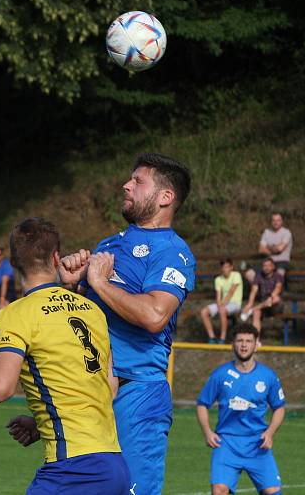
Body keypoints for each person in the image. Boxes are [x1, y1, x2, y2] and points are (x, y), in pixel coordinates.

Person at [0, 218, 129, 494]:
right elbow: (108, 388)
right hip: (113, 464)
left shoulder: (16, 314)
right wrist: (43, 422)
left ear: (13, 262)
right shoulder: (90, 310)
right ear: (57, 257)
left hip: (73, 469)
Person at [59, 153, 196, 495]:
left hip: (137, 394)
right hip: (93, 389)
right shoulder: (109, 245)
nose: (126, 185)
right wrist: (71, 286)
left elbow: (153, 315)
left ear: (166, 197)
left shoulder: (173, 252)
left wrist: (101, 283)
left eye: (138, 181)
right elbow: (82, 319)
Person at [196, 323, 286, 495]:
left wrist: (270, 433)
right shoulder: (220, 374)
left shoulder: (268, 376)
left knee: (273, 492)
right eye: (240, 341)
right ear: (233, 344)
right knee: (219, 490)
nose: (244, 345)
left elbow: (279, 408)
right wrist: (207, 432)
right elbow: (202, 404)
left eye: (248, 341)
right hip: (227, 443)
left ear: (256, 344)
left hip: (257, 443)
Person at [200, 257, 243, 344]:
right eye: (223, 267)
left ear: (231, 267)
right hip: (223, 304)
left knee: (222, 310)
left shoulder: (236, 275)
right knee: (204, 312)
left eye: (227, 267)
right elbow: (218, 295)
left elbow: (231, 291)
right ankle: (212, 337)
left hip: (235, 304)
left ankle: (222, 338)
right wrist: (219, 304)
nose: (225, 269)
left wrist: (222, 305)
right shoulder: (218, 279)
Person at [241, 258, 283, 340]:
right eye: (264, 266)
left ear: (273, 267)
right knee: (256, 313)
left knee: (276, 298)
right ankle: (256, 340)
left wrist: (270, 298)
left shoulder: (278, 276)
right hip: (264, 304)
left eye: (269, 265)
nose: (266, 267)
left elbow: (278, 288)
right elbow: (253, 291)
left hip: (275, 305)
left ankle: (253, 309)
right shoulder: (258, 276)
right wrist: (249, 304)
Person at [245, 213, 292, 284]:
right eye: (274, 220)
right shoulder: (266, 232)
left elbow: (279, 249)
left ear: (281, 221)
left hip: (281, 262)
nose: (276, 222)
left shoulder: (286, 232)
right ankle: (261, 292)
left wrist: (267, 246)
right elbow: (261, 249)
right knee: (249, 273)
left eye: (278, 220)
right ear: (271, 222)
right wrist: (274, 249)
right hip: (267, 262)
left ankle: (275, 294)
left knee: (279, 275)